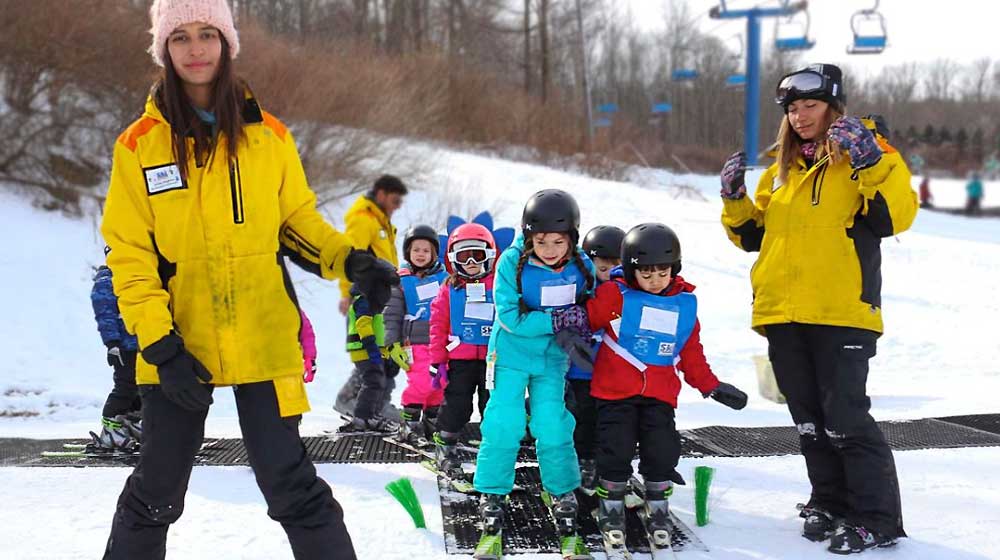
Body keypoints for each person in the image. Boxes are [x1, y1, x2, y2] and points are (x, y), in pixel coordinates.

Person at [99, 1, 397, 556]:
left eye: (207, 34)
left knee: (292, 486)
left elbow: (295, 220)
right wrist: (160, 347)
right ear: (164, 48)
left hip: (263, 332)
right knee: (156, 491)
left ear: (227, 43)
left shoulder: (269, 137)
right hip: (179, 341)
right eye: (181, 36)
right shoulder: (139, 145)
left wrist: (350, 260)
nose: (195, 49)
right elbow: (130, 252)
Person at [719, 63, 916, 554]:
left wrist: (870, 161)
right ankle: (828, 500)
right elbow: (753, 238)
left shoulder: (867, 157)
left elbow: (895, 216)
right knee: (808, 420)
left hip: (841, 310)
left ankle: (876, 517)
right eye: (793, 108)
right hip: (784, 313)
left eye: (811, 105)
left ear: (833, 107)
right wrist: (735, 200)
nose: (801, 116)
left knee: (845, 417)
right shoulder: (780, 171)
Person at [585, 223, 747, 547]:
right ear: (631, 271)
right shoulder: (615, 295)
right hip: (615, 392)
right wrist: (568, 338)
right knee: (614, 448)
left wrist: (710, 385)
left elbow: (689, 351)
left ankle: (658, 505)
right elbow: (584, 319)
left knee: (663, 449)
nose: (656, 280)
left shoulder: (683, 304)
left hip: (659, 394)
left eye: (663, 272)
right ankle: (611, 506)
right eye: (646, 273)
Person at [472, 189, 595, 538]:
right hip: (510, 354)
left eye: (559, 241)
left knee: (552, 423)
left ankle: (562, 487)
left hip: (552, 358)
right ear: (529, 238)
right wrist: (557, 321)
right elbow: (510, 316)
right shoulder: (512, 262)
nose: (551, 250)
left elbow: (591, 305)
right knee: (504, 422)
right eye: (541, 241)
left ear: (572, 237)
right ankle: (492, 490)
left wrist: (581, 324)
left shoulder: (581, 265)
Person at [334, 175, 407, 417]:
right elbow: (350, 256)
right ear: (382, 194)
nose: (397, 206)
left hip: (381, 293)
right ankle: (349, 399)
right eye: (395, 200)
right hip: (366, 294)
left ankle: (377, 403)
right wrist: (347, 293)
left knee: (382, 351)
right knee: (370, 352)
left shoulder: (379, 220)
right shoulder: (364, 220)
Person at [428, 223, 497, 472]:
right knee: (458, 403)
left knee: (492, 403)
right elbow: (438, 326)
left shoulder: (499, 287)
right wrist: (438, 361)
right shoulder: (449, 289)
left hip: (492, 360)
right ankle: (444, 442)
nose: (470, 262)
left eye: (476, 255)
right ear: (453, 260)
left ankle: (494, 444)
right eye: (463, 256)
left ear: (489, 256)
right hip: (460, 360)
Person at [565, 225, 625, 492]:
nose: (609, 275)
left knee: (610, 423)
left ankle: (605, 463)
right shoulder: (579, 293)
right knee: (581, 417)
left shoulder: (626, 296)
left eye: (616, 268)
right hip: (580, 374)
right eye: (602, 268)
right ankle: (581, 459)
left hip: (612, 375)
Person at [383, 224, 449, 443]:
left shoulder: (445, 278)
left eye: (426, 250)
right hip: (415, 342)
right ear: (408, 253)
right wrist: (392, 343)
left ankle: (432, 420)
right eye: (416, 250)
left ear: (434, 253)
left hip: (442, 342)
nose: (421, 254)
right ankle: (409, 423)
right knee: (421, 382)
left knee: (440, 384)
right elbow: (392, 314)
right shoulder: (401, 281)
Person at [89, 261, 142, 451]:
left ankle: (130, 421)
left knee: (142, 385)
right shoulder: (107, 281)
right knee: (125, 384)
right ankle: (110, 428)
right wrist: (112, 344)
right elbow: (105, 316)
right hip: (124, 346)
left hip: (140, 344)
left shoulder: (131, 275)